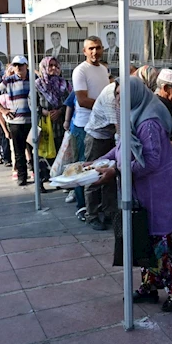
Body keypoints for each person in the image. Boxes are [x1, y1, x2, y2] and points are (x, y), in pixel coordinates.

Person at [94, 78, 172, 312]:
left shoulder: (148, 123)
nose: (118, 99)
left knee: (155, 246)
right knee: (142, 242)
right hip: (142, 194)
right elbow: (122, 148)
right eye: (116, 94)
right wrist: (100, 161)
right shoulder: (133, 116)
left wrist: (117, 170)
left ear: (135, 94)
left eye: (122, 94)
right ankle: (149, 286)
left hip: (155, 195)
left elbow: (150, 161)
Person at [70, 37, 110, 220]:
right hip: (85, 127)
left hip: (104, 126)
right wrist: (107, 107)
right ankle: (85, 209)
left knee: (102, 169)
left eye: (98, 48)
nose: (95, 52)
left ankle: (101, 208)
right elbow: (82, 100)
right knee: (86, 170)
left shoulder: (103, 69)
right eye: (91, 48)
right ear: (84, 51)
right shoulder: (80, 70)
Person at [0, 56, 33, 186]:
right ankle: (22, 176)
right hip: (16, 121)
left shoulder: (33, 78)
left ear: (26, 66)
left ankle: (38, 175)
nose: (18, 68)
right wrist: (2, 109)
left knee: (35, 151)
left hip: (32, 120)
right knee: (19, 152)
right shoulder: (8, 80)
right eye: (15, 65)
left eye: (20, 65)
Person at [83, 80, 119, 230]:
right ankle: (91, 215)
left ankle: (109, 212)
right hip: (96, 137)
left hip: (108, 136)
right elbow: (119, 129)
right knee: (92, 175)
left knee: (109, 178)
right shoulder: (111, 96)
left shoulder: (120, 91)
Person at [34, 56, 71, 192]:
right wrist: (45, 112)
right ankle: (41, 181)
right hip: (44, 124)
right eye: (50, 65)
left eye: (56, 65)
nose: (54, 68)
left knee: (60, 153)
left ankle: (59, 180)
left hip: (60, 124)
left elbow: (70, 101)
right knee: (42, 154)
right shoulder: (37, 84)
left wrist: (60, 111)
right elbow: (32, 103)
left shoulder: (64, 84)